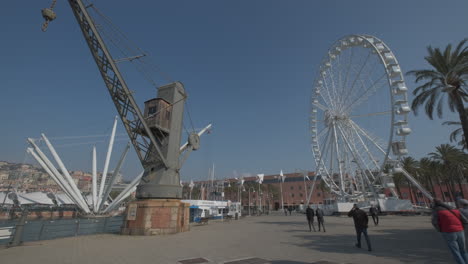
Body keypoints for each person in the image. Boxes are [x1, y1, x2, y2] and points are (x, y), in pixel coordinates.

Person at [432, 198, 468, 264]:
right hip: (460, 230)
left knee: (455, 251)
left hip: (448, 231)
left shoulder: (436, 210)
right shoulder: (453, 208)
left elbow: (435, 222)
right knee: (463, 250)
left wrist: (440, 230)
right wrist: (462, 228)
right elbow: (465, 220)